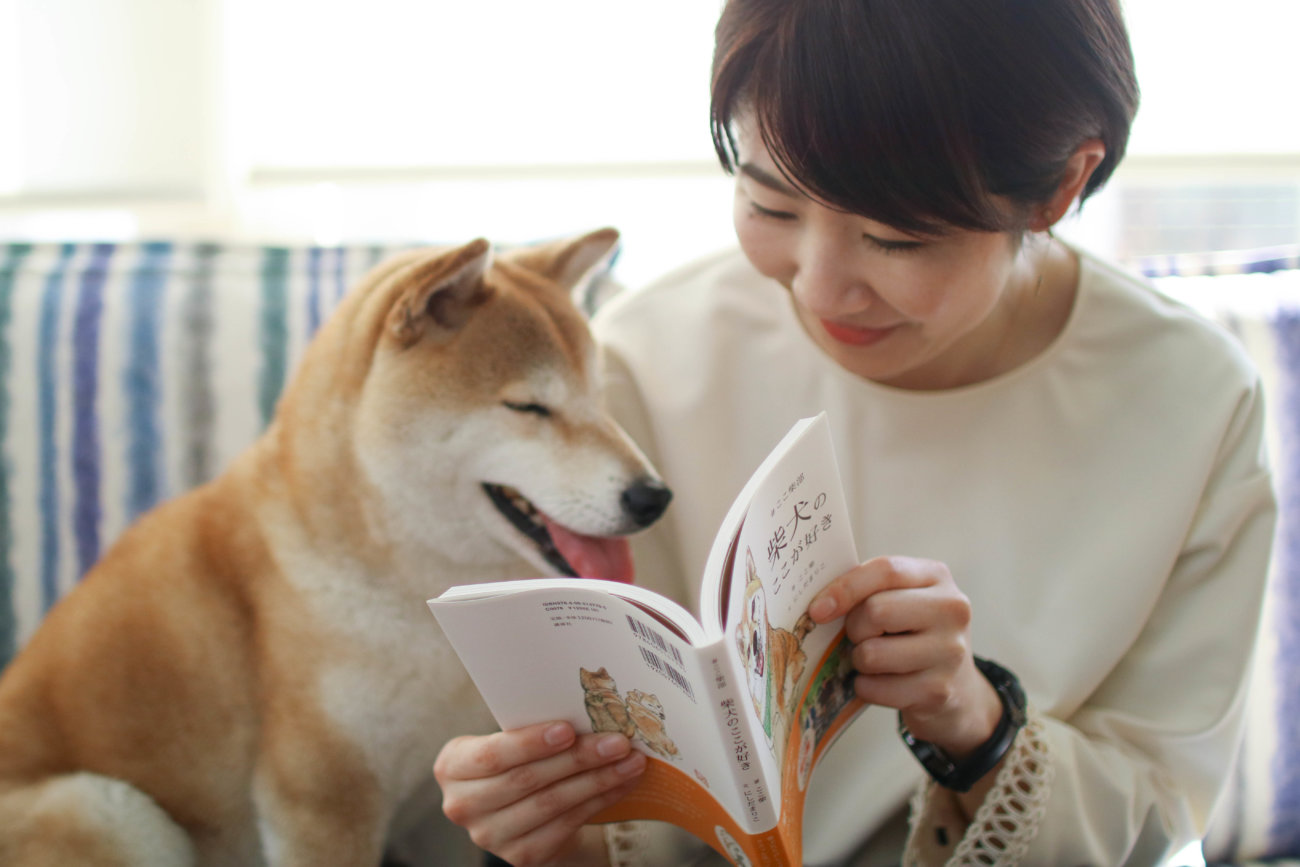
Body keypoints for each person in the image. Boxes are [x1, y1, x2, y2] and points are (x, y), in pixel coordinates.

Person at [433, 0, 1277, 864]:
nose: (821, 288)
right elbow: (576, 755)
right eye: (770, 206)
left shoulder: (1194, 400)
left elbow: (1161, 812)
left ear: (1061, 184)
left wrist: (976, 724)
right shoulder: (639, 360)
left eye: (894, 238)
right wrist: (534, 810)